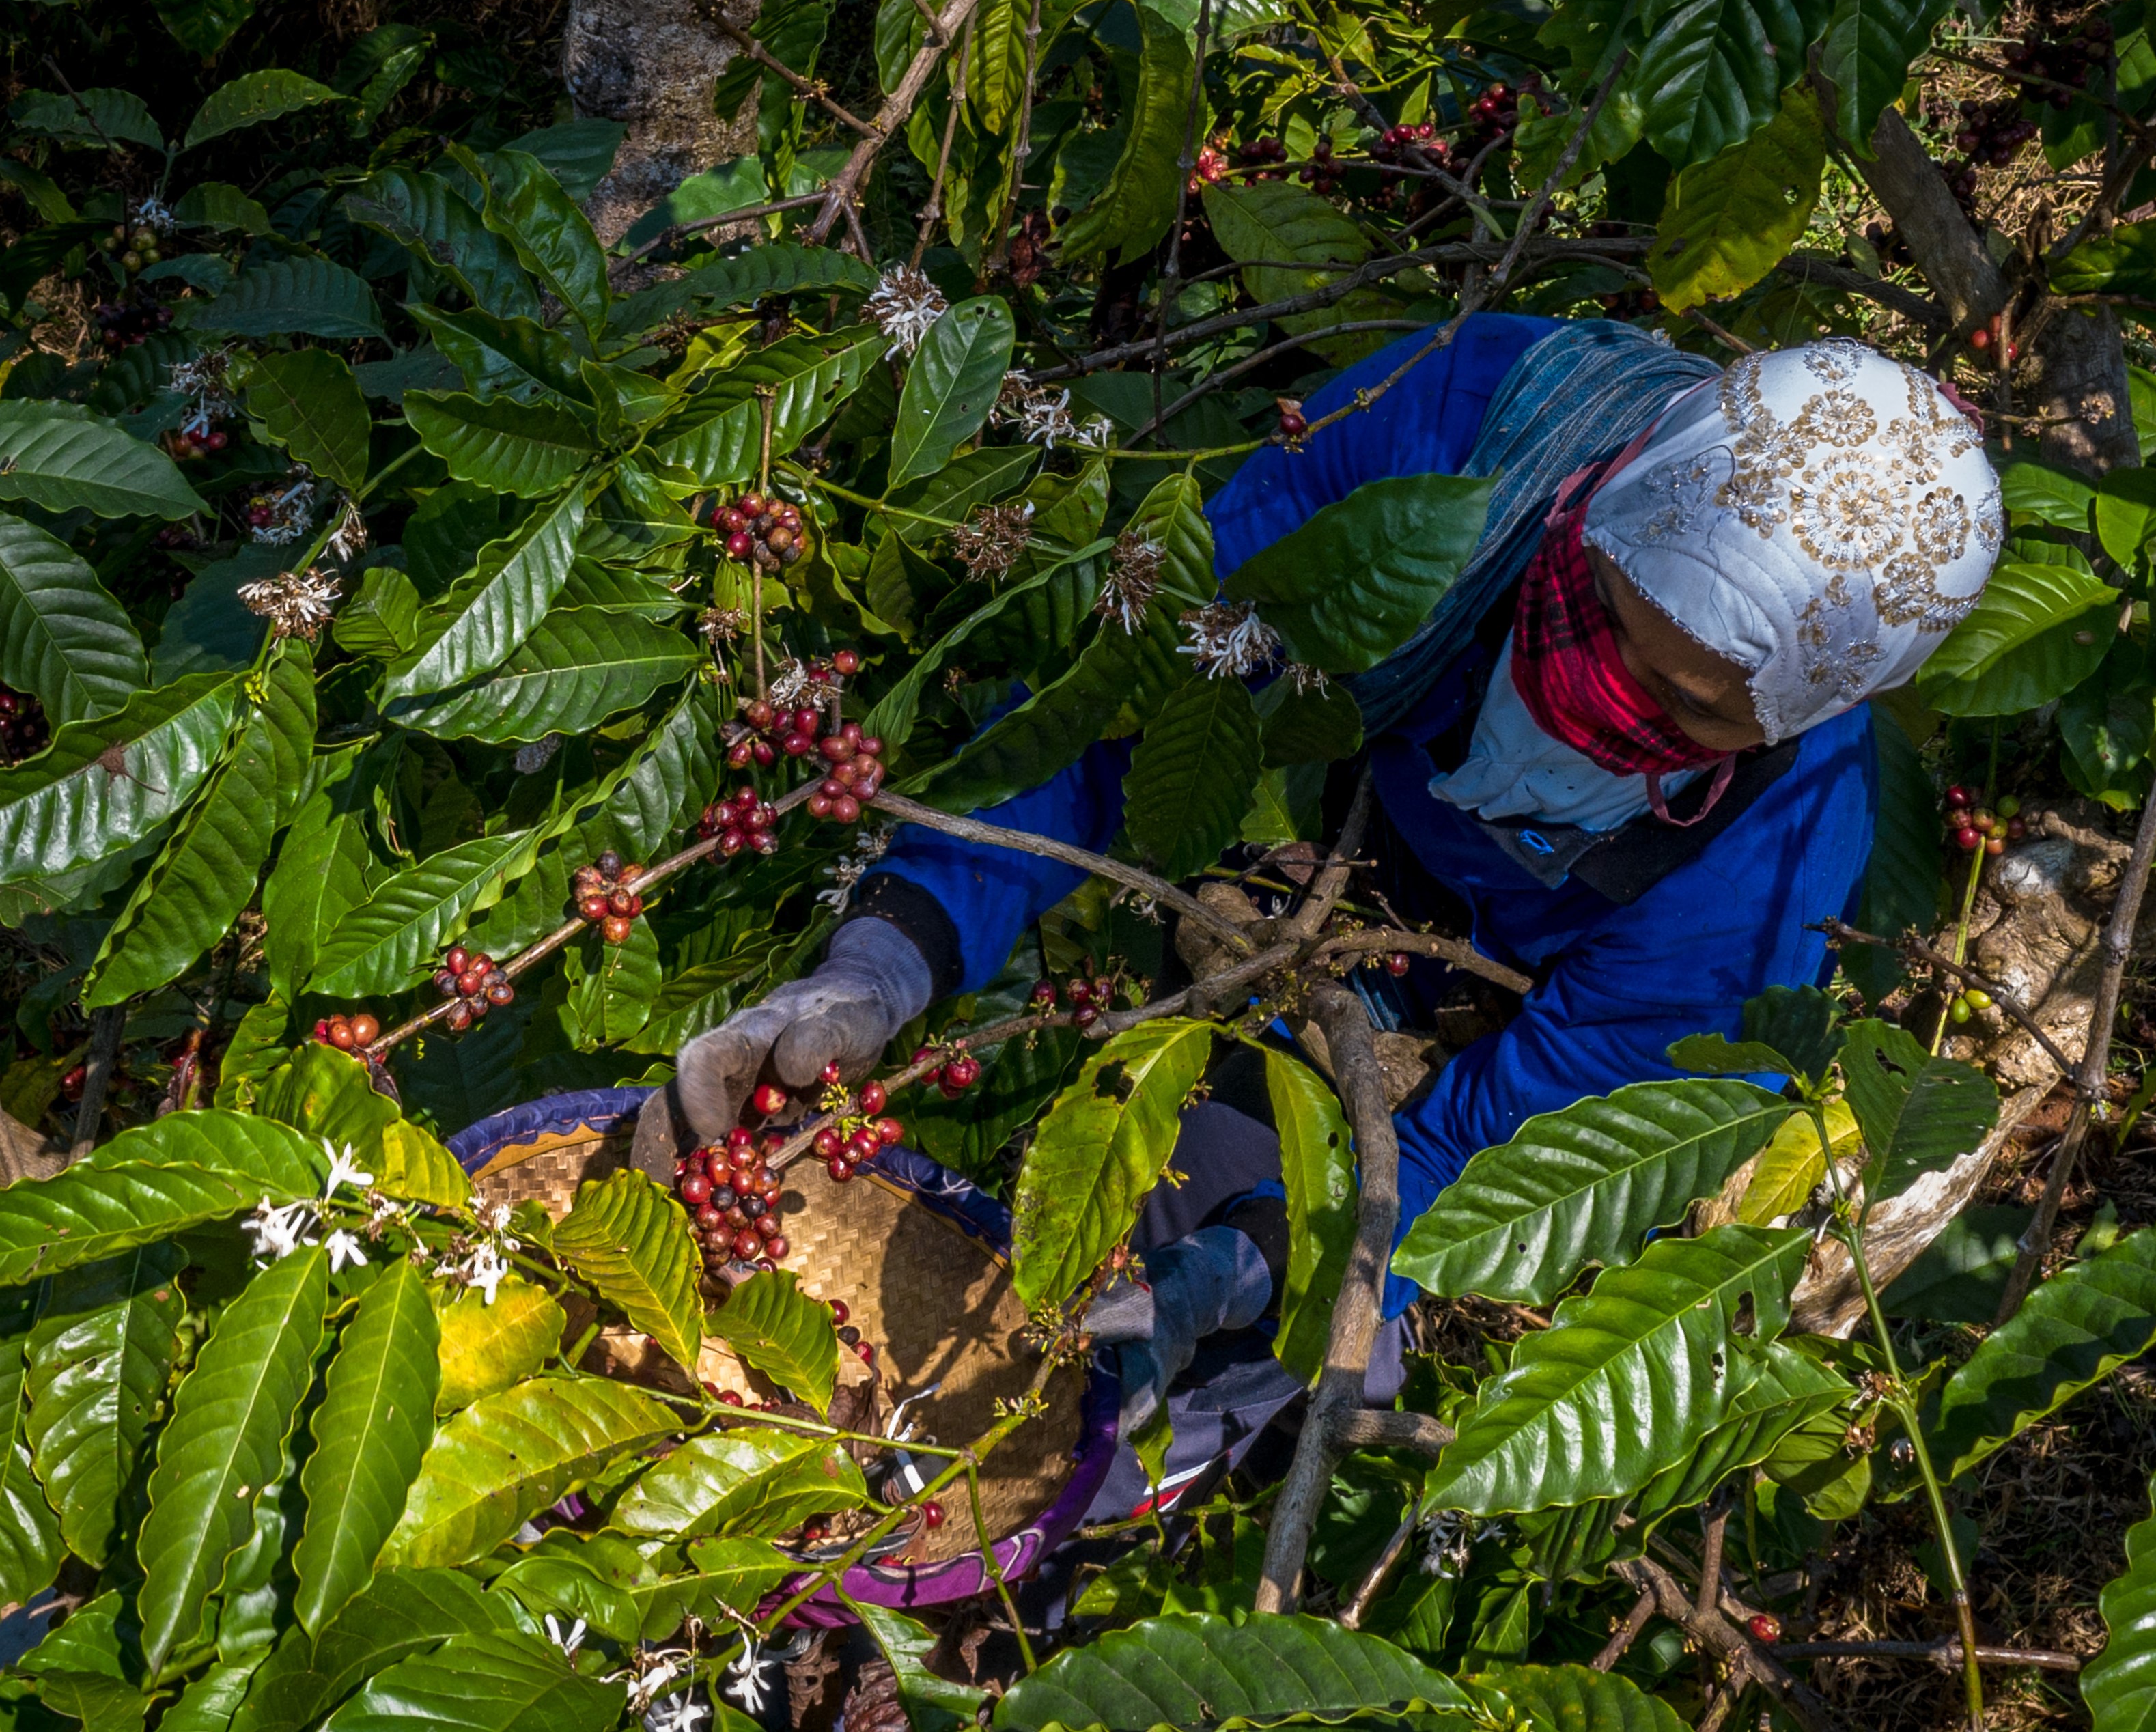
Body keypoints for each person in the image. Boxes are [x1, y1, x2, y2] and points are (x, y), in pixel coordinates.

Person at [664, 317, 2004, 1497]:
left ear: (1790, 722)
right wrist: (892, 953)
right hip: (1371, 852)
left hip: (1504, 1002)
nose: (1605, 692)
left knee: (1261, 1348)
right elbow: (1130, 704)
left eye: (1686, 708)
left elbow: (1513, 1150)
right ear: (1604, 506)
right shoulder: (1452, 436)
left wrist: (1279, 1261)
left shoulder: (1762, 874)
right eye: (1599, 613)